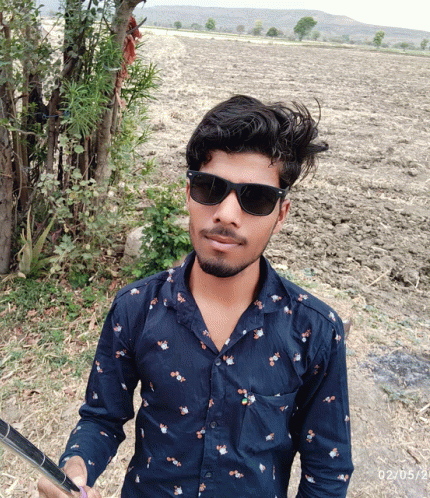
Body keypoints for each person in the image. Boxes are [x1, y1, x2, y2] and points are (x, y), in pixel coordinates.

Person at [38, 95, 354, 498]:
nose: (226, 213)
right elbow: (102, 418)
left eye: (255, 199)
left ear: (281, 214)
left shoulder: (314, 330)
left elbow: (326, 469)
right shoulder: (136, 307)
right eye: (210, 188)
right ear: (189, 192)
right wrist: (75, 468)